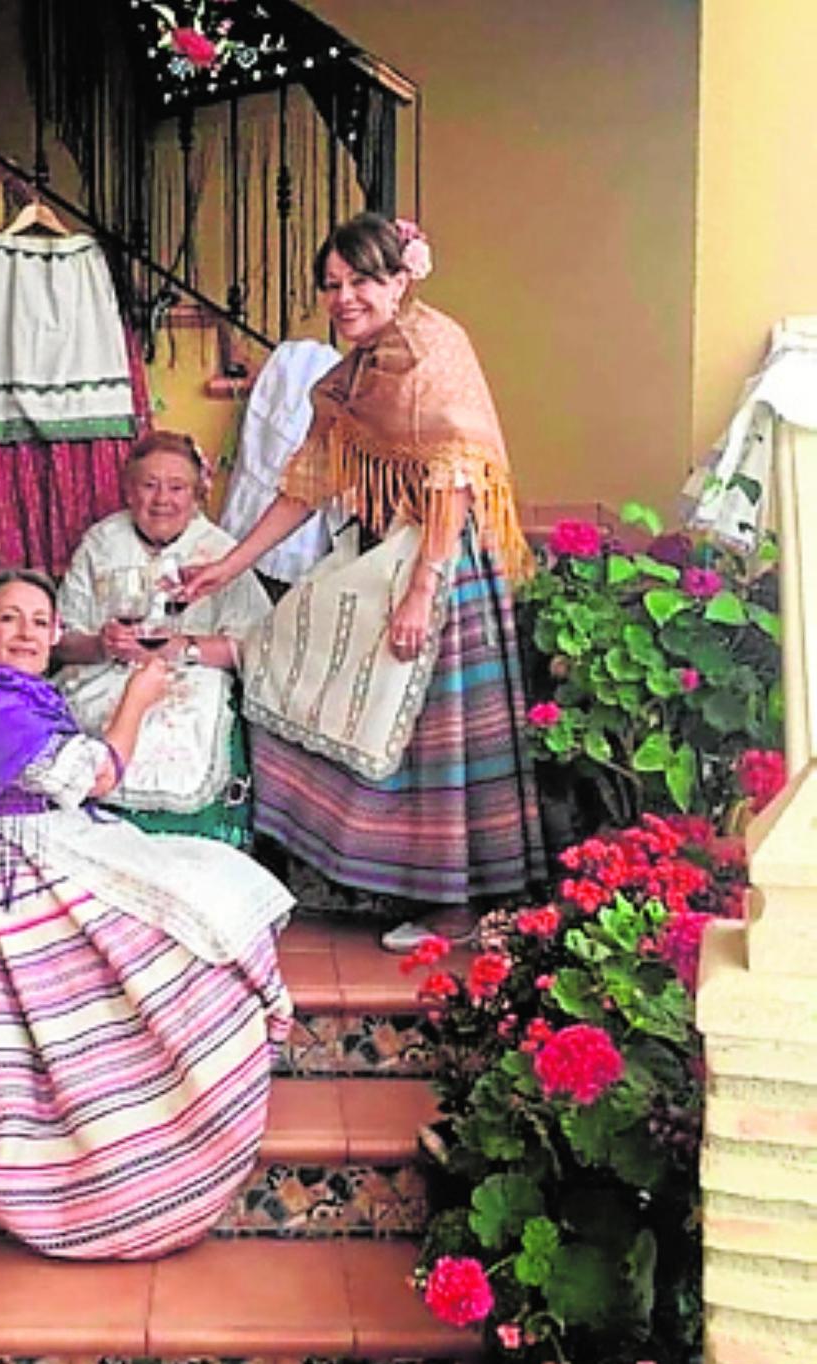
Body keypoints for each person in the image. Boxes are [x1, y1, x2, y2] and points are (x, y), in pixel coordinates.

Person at [0, 569, 293, 1259]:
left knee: (210, 898)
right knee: (172, 929)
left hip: (32, 847)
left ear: (58, 634)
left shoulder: (21, 699)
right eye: (8, 618)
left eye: (39, 621)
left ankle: (165, 1121)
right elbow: (90, 775)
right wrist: (138, 698)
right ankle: (117, 1149)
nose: (25, 633)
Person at [183, 212, 546, 950]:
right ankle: (372, 880)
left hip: (442, 563)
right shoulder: (355, 373)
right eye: (332, 284)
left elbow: (454, 477)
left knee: (433, 740)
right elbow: (308, 484)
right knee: (331, 682)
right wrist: (232, 562)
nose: (344, 297)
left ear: (401, 280)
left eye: (362, 281)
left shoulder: (433, 350)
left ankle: (454, 906)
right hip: (390, 554)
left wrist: (422, 589)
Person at [55, 430, 272, 845]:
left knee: (181, 725)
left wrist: (182, 648)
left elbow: (256, 647)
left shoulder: (220, 552)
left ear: (197, 495)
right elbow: (62, 639)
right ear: (128, 490)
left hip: (193, 674)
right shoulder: (102, 542)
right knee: (95, 717)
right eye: (149, 485)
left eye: (177, 487)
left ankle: (186, 841)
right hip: (104, 671)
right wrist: (100, 645)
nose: (162, 500)